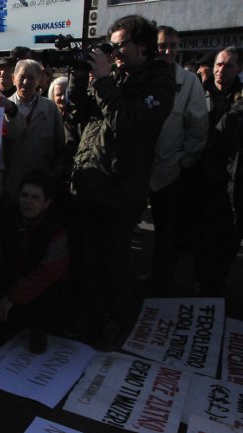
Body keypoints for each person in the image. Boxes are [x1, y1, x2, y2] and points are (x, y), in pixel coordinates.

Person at [68, 15, 175, 349]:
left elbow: (128, 124)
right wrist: (81, 74)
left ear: (142, 46)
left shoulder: (158, 82)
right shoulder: (112, 76)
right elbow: (81, 112)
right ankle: (90, 313)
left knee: (114, 260)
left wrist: (101, 79)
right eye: (110, 46)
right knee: (86, 257)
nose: (113, 52)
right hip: (90, 180)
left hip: (121, 188)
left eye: (119, 45)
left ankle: (115, 319)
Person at [144, 26, 208, 295]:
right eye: (162, 46)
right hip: (138, 168)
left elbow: (198, 126)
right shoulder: (142, 77)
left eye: (172, 46)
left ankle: (161, 284)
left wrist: (184, 161)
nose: (167, 51)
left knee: (167, 234)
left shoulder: (189, 82)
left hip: (171, 170)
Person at [0, 172, 69, 353]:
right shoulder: (4, 220)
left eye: (35, 197)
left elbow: (49, 272)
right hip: (10, 279)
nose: (28, 202)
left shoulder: (55, 228)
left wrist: (12, 297)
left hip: (34, 288)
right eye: (24, 196)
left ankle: (40, 330)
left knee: (53, 291)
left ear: (47, 203)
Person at [194, 46, 243, 296]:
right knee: (199, 239)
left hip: (229, 184)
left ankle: (213, 288)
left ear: (239, 70)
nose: (221, 70)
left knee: (224, 243)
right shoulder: (199, 93)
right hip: (199, 180)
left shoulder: (240, 102)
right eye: (219, 64)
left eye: (229, 65)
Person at [1, 59, 65, 204]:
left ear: (39, 81)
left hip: (41, 188)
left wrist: (53, 178)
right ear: (13, 78)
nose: (25, 82)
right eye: (21, 77)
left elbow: (60, 148)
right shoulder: (2, 109)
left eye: (31, 77)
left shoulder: (50, 109)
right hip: (11, 186)